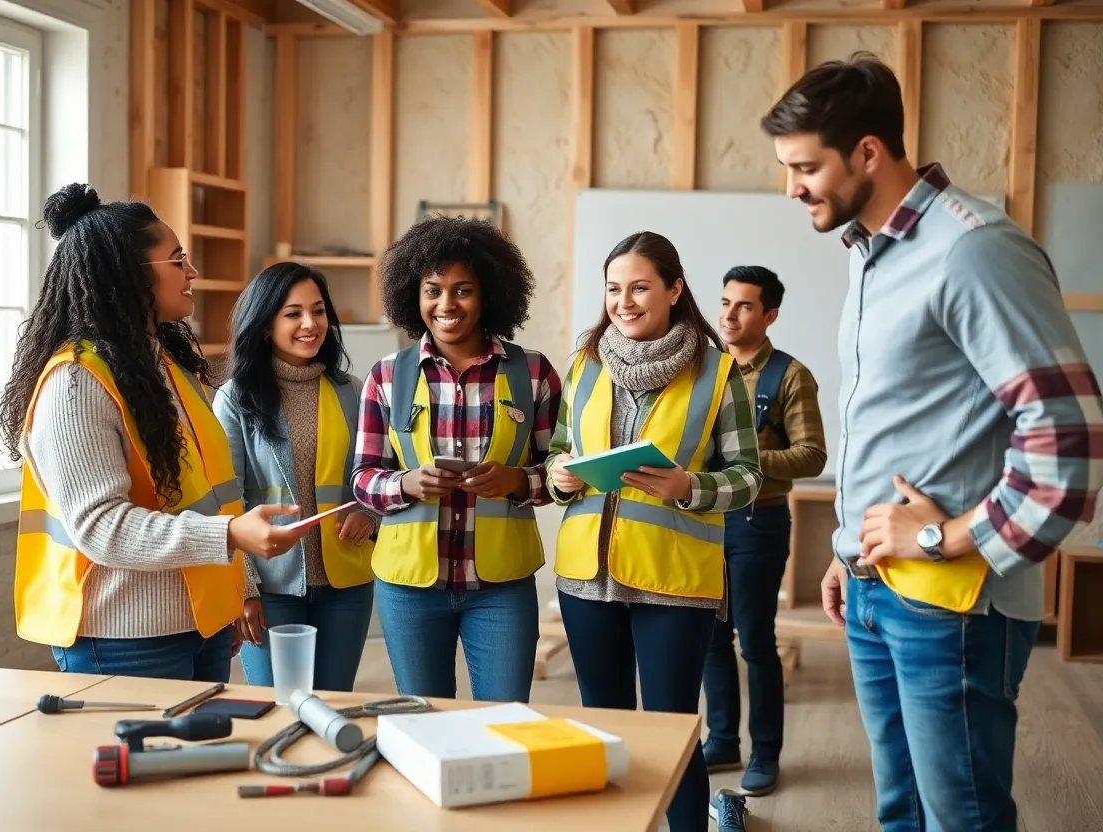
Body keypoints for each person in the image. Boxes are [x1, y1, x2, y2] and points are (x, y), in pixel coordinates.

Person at [761, 54, 1103, 832]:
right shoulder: (871, 254)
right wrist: (848, 549)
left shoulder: (973, 250)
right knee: (902, 814)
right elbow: (896, 421)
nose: (792, 189)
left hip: (953, 603)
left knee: (963, 821)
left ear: (869, 153)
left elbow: (1069, 437)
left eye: (805, 167)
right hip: (879, 586)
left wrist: (944, 535)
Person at [0, 183, 306, 681]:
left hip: (197, 621)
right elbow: (102, 527)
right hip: (123, 637)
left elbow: (204, 498)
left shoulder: (167, 367)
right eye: (178, 260)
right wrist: (231, 535)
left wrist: (223, 599)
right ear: (130, 275)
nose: (193, 273)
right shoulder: (76, 383)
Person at [546, 231, 763, 832]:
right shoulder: (583, 365)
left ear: (674, 288)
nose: (625, 300)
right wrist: (559, 475)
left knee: (672, 731)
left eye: (640, 287)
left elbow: (749, 475)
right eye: (614, 288)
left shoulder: (719, 373)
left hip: (675, 580)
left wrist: (688, 487)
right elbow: (559, 452)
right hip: (587, 578)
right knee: (605, 731)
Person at [351, 215, 562, 704]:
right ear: (414, 296)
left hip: (501, 586)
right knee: (421, 721)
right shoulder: (386, 377)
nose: (446, 304)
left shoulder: (532, 373)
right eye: (433, 290)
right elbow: (362, 479)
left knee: (504, 718)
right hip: (408, 590)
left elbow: (560, 475)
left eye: (462, 290)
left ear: (488, 293)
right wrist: (404, 485)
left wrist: (516, 480)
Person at [213, 262, 377, 692]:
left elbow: (373, 473)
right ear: (266, 323)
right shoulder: (235, 398)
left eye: (319, 311)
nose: (310, 324)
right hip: (269, 585)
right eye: (293, 313)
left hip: (345, 582)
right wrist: (243, 587)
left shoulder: (352, 390)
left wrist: (368, 514)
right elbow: (226, 503)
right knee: (280, 707)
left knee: (332, 703)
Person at [702, 265, 827, 797]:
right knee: (710, 640)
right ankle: (722, 740)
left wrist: (744, 461)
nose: (729, 315)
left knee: (755, 642)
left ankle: (766, 755)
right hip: (703, 520)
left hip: (758, 522)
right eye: (726, 302)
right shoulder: (702, 369)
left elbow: (812, 455)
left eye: (744, 306)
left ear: (770, 314)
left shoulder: (790, 376)